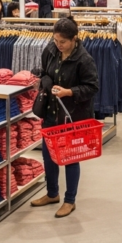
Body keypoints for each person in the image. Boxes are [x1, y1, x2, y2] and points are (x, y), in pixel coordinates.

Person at [31, 18, 99, 219]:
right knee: (48, 155)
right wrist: (44, 80)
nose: (58, 44)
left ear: (74, 39)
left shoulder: (84, 60)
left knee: (70, 158)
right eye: (56, 40)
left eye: (62, 42)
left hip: (72, 116)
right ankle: (52, 193)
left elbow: (92, 87)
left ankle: (70, 200)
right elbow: (45, 72)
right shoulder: (50, 51)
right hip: (51, 111)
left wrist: (69, 92)